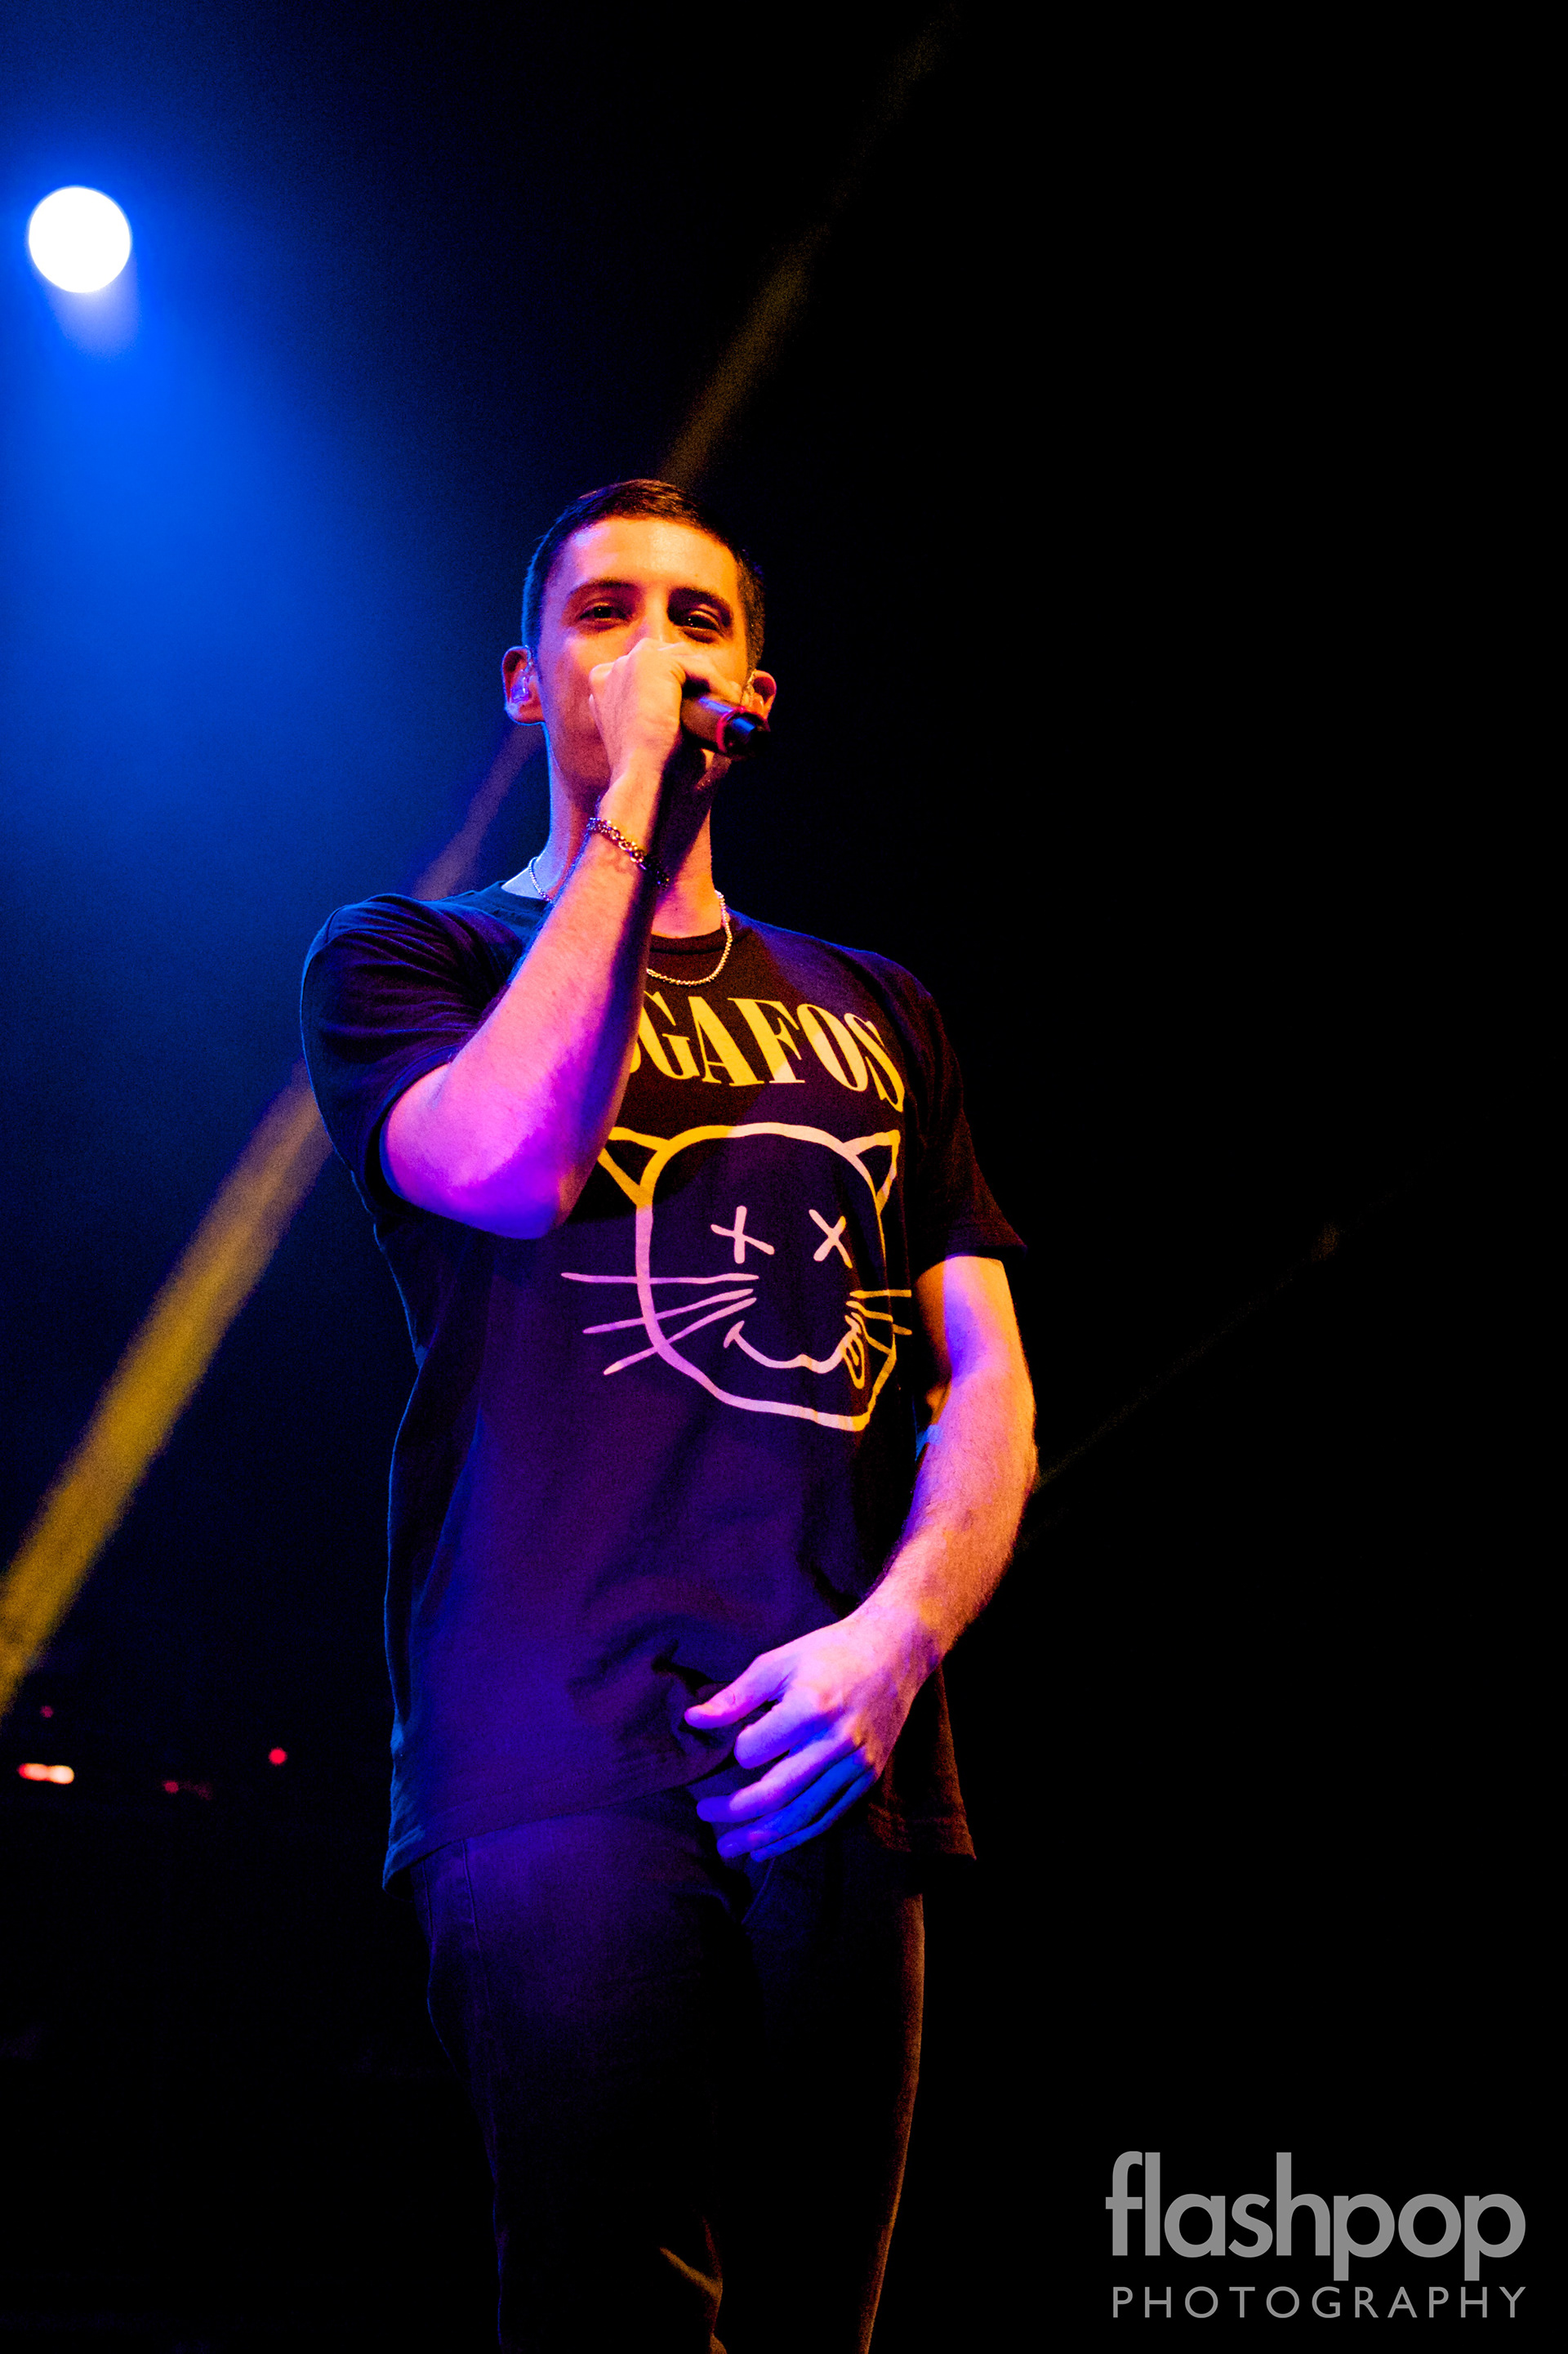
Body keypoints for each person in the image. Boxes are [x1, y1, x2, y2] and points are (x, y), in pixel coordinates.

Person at [301, 479, 1036, 2352]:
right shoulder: (409, 961)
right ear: (526, 681)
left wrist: (898, 1641)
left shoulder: (880, 1006)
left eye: (697, 620)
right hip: (548, 1739)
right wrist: (631, 804)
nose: (654, 651)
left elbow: (988, 1386)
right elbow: (512, 1165)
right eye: (606, 612)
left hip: (838, 1738)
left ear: (757, 694)